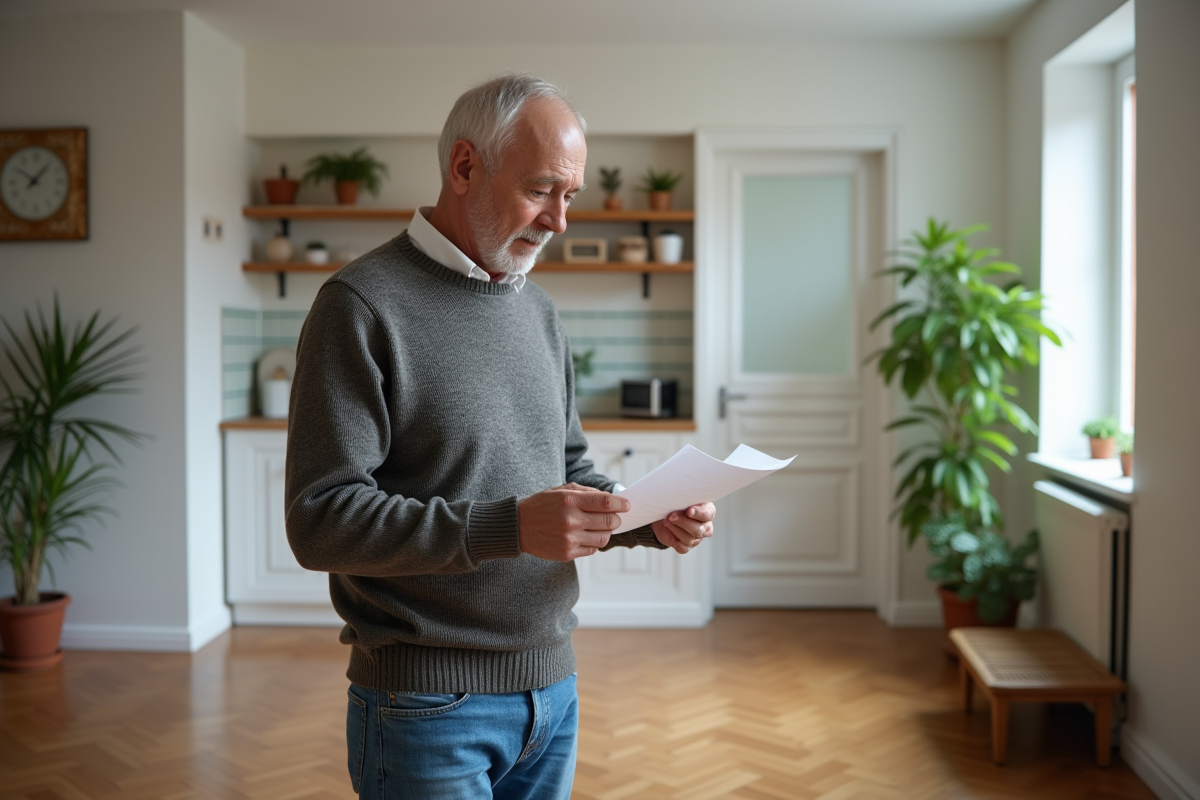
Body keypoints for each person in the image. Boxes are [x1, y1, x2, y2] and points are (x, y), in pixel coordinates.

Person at [284, 73, 715, 800]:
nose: (559, 221)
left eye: (569, 196)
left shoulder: (538, 310)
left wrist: (647, 517)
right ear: (463, 166)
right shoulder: (359, 306)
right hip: (424, 705)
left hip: (553, 692)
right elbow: (321, 520)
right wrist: (509, 525)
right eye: (542, 189)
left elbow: (568, 467)